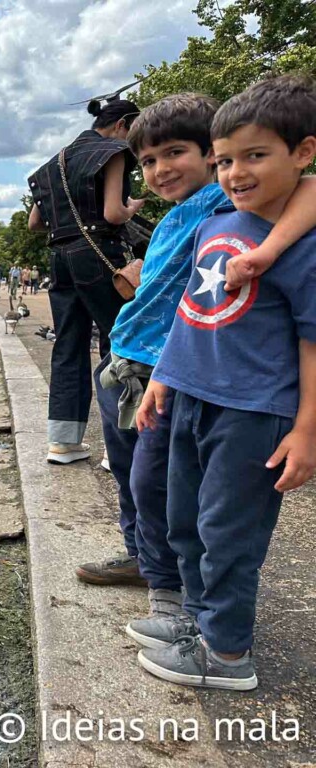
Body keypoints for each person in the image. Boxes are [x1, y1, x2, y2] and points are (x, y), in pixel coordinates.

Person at [78, 93, 316, 596]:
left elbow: (312, 187)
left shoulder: (220, 201)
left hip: (164, 372)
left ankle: (174, 581)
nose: (161, 169)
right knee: (129, 475)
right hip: (124, 361)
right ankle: (142, 556)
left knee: (161, 482)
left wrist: (268, 250)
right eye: (147, 161)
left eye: (174, 153)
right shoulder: (172, 217)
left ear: (210, 154)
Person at [135, 75, 316, 690]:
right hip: (192, 397)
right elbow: (190, 309)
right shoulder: (218, 225)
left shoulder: (303, 243)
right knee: (183, 517)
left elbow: (312, 340)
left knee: (229, 532)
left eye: (256, 156)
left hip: (253, 411)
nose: (236, 173)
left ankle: (228, 655)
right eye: (225, 160)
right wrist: (164, 376)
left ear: (304, 152)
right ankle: (195, 619)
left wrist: (306, 430)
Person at [28, 97, 145, 464]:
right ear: (124, 124)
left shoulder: (52, 164)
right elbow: (113, 212)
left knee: (68, 345)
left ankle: (63, 442)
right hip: (99, 254)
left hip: (58, 259)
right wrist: (134, 207)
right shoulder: (115, 151)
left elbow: (34, 223)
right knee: (120, 341)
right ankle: (120, 447)